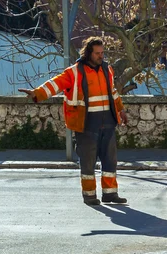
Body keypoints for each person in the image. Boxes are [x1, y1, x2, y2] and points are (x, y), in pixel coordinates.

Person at [19, 37, 129, 206]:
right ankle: (90, 196)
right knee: (88, 162)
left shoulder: (108, 70)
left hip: (108, 121)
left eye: (102, 53)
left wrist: (121, 110)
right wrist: (37, 93)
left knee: (110, 160)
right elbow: (55, 84)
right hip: (86, 123)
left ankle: (110, 194)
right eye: (97, 53)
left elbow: (113, 92)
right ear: (88, 53)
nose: (101, 56)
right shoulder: (74, 72)